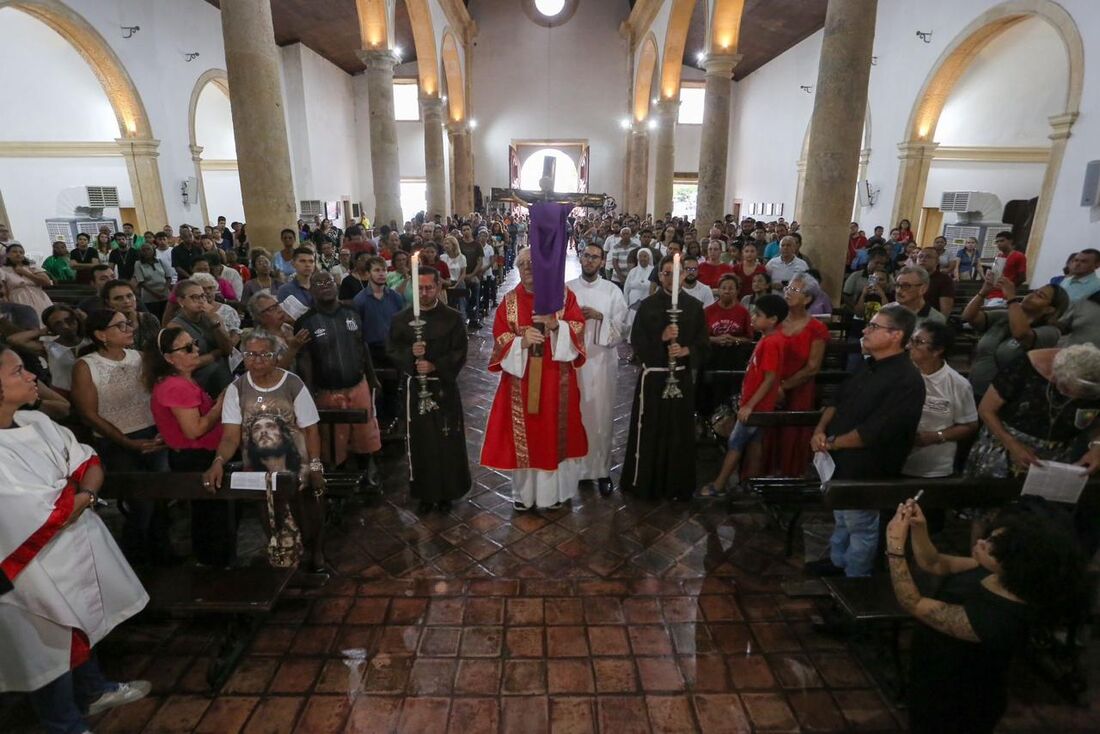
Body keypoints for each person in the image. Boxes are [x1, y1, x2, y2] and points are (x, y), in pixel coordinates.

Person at [0, 345, 151, 734]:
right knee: (46, 644)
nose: (32, 376)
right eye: (18, 371)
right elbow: (43, 512)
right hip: (32, 567)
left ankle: (93, 690)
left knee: (80, 622)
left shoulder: (37, 421)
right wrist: (79, 495)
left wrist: (80, 494)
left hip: (74, 546)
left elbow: (88, 461)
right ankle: (64, 725)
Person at [885, 501, 1085, 733]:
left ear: (1016, 563)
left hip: (959, 699)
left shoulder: (1000, 619)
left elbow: (913, 602)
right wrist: (918, 528)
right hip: (934, 672)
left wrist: (894, 547)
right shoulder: (995, 571)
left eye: (990, 546)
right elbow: (935, 562)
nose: (980, 541)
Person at [807, 304, 925, 578]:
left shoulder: (906, 380)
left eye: (874, 326)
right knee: (842, 517)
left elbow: (875, 431)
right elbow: (838, 400)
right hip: (840, 459)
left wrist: (831, 442)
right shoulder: (870, 365)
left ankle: (856, 580)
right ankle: (838, 563)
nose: (865, 330)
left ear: (896, 335)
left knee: (861, 526)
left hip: (868, 466)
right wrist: (820, 430)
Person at [202, 331, 327, 573]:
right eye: (250, 355)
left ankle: (315, 552)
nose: (256, 360)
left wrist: (315, 466)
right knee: (272, 519)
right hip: (260, 470)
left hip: (296, 464)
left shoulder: (292, 384)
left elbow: (311, 429)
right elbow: (230, 436)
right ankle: (285, 562)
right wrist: (218, 461)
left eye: (264, 354)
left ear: (277, 356)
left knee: (309, 514)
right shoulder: (236, 389)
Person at [480, 248, 589, 510]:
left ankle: (554, 496)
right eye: (523, 263)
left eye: (533, 262)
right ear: (517, 268)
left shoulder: (563, 297)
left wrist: (555, 326)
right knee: (523, 437)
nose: (528, 267)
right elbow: (500, 338)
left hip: (556, 380)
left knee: (554, 434)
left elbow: (577, 327)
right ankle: (524, 496)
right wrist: (521, 342)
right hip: (521, 381)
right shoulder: (509, 302)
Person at [71, 309, 169, 565]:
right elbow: (89, 414)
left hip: (152, 434)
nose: (129, 329)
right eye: (120, 326)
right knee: (141, 503)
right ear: (101, 334)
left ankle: (163, 552)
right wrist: (127, 443)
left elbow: (158, 396)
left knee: (161, 496)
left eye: (128, 323)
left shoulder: (139, 357)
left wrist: (163, 430)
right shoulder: (87, 366)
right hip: (115, 441)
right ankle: (134, 560)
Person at [621, 255, 708, 500]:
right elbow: (636, 342)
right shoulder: (647, 306)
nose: (671, 278)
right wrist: (661, 338)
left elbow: (704, 343)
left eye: (676, 272)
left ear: (685, 275)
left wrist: (687, 350)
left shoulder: (694, 307)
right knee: (650, 429)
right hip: (653, 379)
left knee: (678, 432)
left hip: (680, 379)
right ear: (659, 276)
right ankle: (646, 482)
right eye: (666, 273)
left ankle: (676, 485)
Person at [146, 327, 234, 567]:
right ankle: (215, 572)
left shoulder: (181, 381)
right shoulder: (176, 386)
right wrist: (220, 405)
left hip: (196, 454)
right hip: (195, 458)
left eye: (194, 343)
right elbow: (194, 429)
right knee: (210, 521)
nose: (196, 349)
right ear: (168, 357)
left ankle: (215, 567)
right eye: (187, 348)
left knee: (211, 517)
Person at [386, 267, 471, 513]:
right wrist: (411, 359)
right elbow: (392, 349)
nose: (424, 293)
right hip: (416, 388)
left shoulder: (452, 318)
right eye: (419, 288)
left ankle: (449, 493)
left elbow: (460, 351)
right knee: (421, 442)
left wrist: (435, 364)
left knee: (447, 439)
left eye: (429, 288)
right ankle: (425, 493)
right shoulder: (401, 320)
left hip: (444, 388)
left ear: (438, 287)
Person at [296, 271, 382, 495]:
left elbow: (362, 345)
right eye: (318, 283)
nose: (324, 286)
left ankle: (368, 474)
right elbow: (305, 360)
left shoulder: (351, 311)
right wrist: (309, 394)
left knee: (365, 435)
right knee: (334, 442)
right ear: (311, 290)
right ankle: (339, 484)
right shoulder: (306, 321)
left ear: (336, 285)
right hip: (328, 391)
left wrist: (372, 378)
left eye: (328, 282)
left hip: (358, 384)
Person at [700, 294, 788, 496]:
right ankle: (751, 482)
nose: (753, 318)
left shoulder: (772, 342)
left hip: (755, 405)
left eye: (758, 314)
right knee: (755, 443)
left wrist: (749, 405)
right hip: (758, 404)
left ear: (773, 319)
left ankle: (719, 485)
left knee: (735, 444)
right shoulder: (769, 338)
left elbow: (769, 378)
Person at [967, 345, 1100, 478]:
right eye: (1065, 389)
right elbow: (986, 409)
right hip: (1003, 448)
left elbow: (1095, 420)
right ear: (1055, 374)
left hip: (1056, 458)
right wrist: (1012, 444)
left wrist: (1097, 446)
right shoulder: (1024, 367)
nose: (1071, 398)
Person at [568, 244, 629, 496]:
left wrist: (600, 316)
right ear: (580, 258)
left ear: (602, 261)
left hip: (602, 363)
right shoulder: (568, 289)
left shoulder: (612, 291)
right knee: (576, 416)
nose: (590, 260)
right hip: (574, 362)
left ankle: (601, 471)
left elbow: (622, 328)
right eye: (586, 256)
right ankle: (576, 470)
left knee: (601, 417)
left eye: (595, 257)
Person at [962, 275, 1067, 401]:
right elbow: (969, 316)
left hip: (1003, 399)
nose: (1031, 296)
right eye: (1035, 292)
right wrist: (983, 292)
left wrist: (1011, 298)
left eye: (1040, 296)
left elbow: (1021, 334)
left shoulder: (1050, 332)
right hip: (973, 388)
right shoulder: (1005, 317)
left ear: (1049, 309)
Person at [767, 273, 830, 477]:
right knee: (766, 434)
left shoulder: (816, 329)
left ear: (808, 298)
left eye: (794, 290)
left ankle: (789, 478)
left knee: (792, 435)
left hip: (798, 389)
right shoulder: (775, 322)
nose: (788, 292)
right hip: (769, 385)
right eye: (788, 288)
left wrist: (783, 386)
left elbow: (813, 367)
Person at [902, 321, 979, 482]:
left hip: (934, 468)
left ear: (938, 350)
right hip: (896, 462)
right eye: (911, 340)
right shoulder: (902, 374)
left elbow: (969, 425)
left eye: (918, 342)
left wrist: (936, 436)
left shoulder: (957, 384)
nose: (909, 346)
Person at [353, 256, 404, 429]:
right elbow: (358, 331)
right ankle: (377, 428)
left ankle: (394, 425)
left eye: (383, 270)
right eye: (376, 270)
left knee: (393, 390)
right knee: (376, 393)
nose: (382, 274)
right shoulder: (360, 300)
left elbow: (401, 324)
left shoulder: (395, 298)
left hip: (392, 350)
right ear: (368, 274)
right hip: (372, 352)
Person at [169, 280, 234, 398]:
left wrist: (215, 323)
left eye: (202, 296)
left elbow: (228, 350)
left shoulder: (212, 317)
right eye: (194, 297)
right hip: (198, 377)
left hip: (222, 371)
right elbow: (188, 363)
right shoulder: (176, 326)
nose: (201, 300)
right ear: (181, 301)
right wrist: (215, 355)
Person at [1, 244, 53, 324]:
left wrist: (26, 273)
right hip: (18, 299)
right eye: (14, 252)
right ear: (8, 254)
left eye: (21, 252)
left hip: (39, 297)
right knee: (27, 324)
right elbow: (4, 292)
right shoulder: (3, 270)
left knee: (46, 321)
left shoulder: (32, 267)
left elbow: (47, 282)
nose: (18, 254)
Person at [133, 243, 173, 319]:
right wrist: (155, 294)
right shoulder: (138, 264)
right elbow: (141, 282)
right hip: (149, 296)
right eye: (143, 250)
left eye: (148, 249)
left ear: (153, 251)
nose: (146, 252)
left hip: (164, 293)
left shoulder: (160, 261)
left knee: (167, 317)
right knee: (155, 318)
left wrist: (164, 290)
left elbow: (168, 277)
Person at [986, 231, 1026, 301]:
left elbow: (1022, 278)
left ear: (1010, 241)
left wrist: (1009, 289)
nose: (999, 244)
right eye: (997, 242)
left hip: (1003, 296)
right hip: (991, 293)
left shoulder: (1019, 256)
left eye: (1002, 241)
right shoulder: (999, 256)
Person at [917, 247, 955, 316]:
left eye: (928, 257)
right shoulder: (912, 277)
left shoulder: (944, 280)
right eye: (920, 257)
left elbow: (945, 312)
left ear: (937, 261)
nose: (922, 259)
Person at [622, 246, 654, 328]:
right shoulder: (633, 271)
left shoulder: (653, 271)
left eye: (645, 256)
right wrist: (626, 304)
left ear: (649, 258)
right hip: (633, 305)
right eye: (640, 256)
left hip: (648, 304)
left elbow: (655, 288)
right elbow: (626, 289)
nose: (642, 258)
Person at [277, 247, 316, 311]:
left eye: (311, 261)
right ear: (293, 263)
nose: (308, 265)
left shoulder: (320, 286)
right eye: (302, 261)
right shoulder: (285, 290)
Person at [440, 235, 468, 320]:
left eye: (448, 243)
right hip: (446, 283)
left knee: (461, 305)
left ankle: (463, 322)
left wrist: (456, 285)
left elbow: (463, 273)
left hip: (458, 282)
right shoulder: (442, 257)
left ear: (454, 245)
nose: (446, 245)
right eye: (444, 243)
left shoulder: (461, 257)